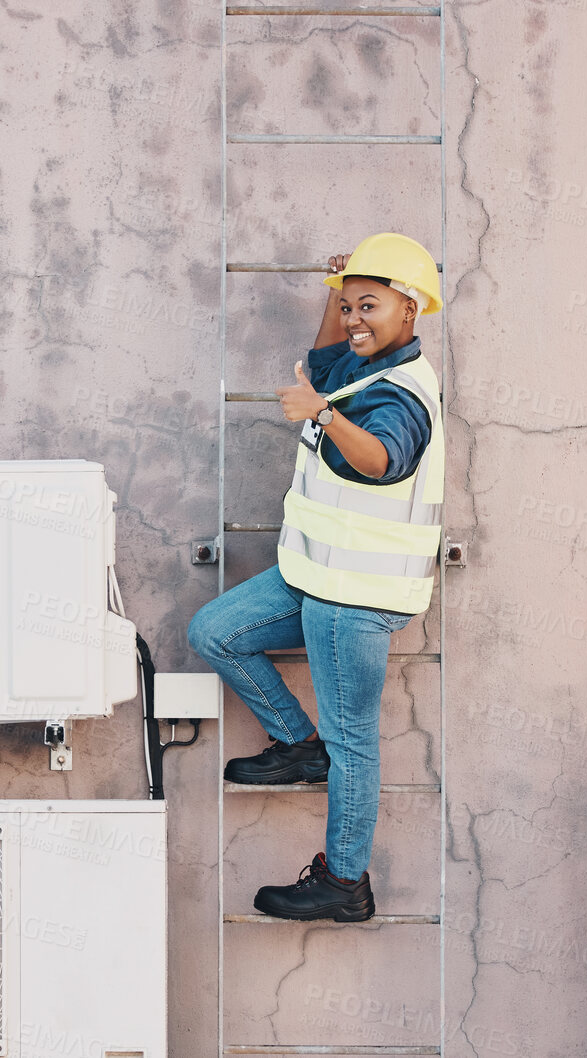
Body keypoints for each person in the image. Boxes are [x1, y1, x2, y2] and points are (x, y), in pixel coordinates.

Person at [188, 232, 444, 922]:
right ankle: (301, 747)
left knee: (353, 739)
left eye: (371, 306)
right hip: (315, 575)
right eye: (351, 305)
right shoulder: (361, 368)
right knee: (215, 632)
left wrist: (323, 415)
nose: (356, 319)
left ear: (410, 312)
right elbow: (327, 360)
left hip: (358, 596)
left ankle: (345, 882)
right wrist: (337, 294)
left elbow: (384, 460)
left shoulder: (400, 396)